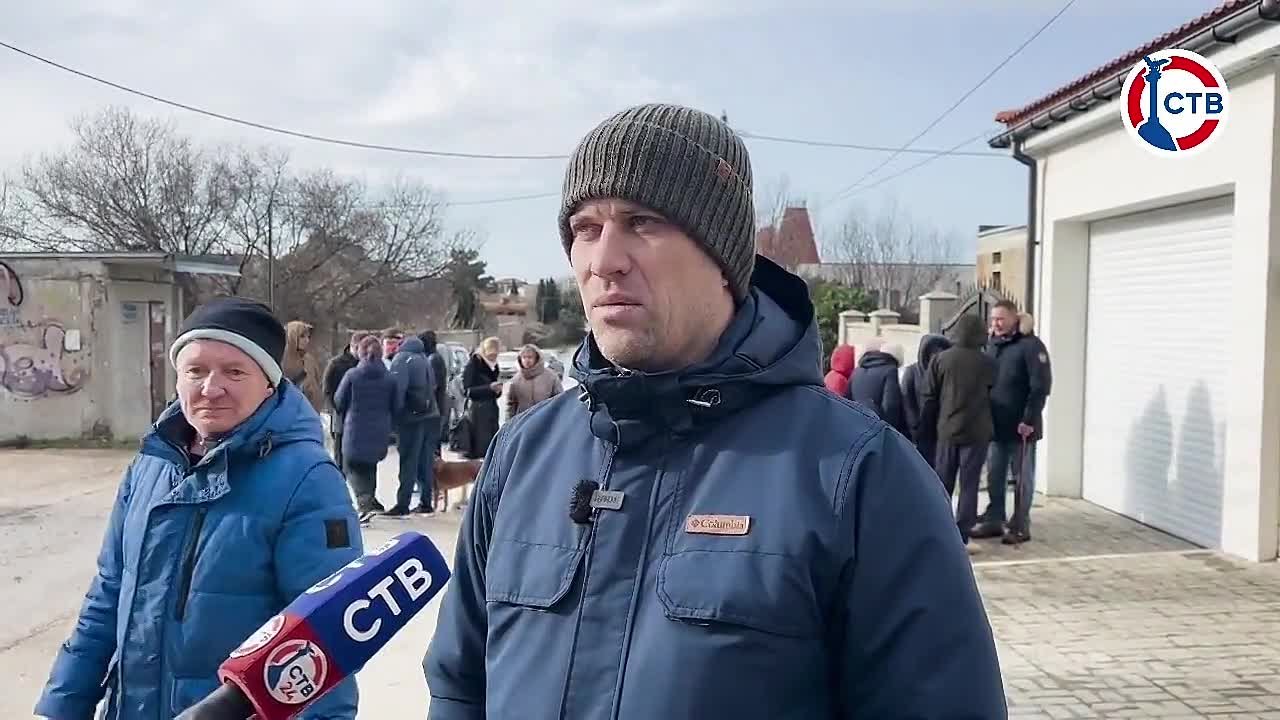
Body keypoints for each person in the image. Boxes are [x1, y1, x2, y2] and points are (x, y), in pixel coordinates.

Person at [423, 103, 1005, 719]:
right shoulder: (523, 455)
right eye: (585, 228)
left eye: (642, 222)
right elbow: (459, 686)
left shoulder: (858, 473)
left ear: (724, 259)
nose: (604, 259)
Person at [35, 297, 361, 719]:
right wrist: (61, 705)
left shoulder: (307, 479)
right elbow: (108, 594)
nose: (210, 388)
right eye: (196, 371)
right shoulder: (151, 464)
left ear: (269, 383)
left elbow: (325, 641)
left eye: (234, 372)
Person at [972, 300, 1051, 546]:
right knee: (995, 475)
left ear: (1014, 318)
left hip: (1022, 427)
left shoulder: (1031, 346)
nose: (996, 323)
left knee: (1021, 478)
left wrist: (1029, 419)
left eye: (1001, 319)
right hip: (995, 425)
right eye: (993, 319)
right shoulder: (992, 345)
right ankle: (995, 518)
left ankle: (1020, 524)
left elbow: (1040, 386)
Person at [921, 315, 995, 554]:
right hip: (977, 431)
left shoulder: (941, 360)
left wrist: (925, 428)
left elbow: (928, 396)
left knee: (943, 482)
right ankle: (962, 535)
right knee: (969, 485)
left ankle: (939, 529)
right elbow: (996, 397)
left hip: (947, 429)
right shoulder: (988, 363)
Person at [334, 335, 399, 515]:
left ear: (360, 353)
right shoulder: (389, 378)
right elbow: (397, 405)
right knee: (370, 466)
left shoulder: (352, 375)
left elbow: (339, 400)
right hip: (379, 431)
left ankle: (364, 502)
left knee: (352, 467)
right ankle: (369, 499)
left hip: (355, 430)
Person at [386, 334, 441, 515]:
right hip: (431, 415)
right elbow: (434, 386)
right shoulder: (425, 359)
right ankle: (426, 502)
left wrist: (395, 416)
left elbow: (398, 390)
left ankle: (403, 504)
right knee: (425, 461)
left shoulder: (402, 359)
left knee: (408, 460)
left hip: (411, 418)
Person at [901, 333, 952, 467]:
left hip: (944, 430)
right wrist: (914, 425)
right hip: (922, 429)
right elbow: (907, 400)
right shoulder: (912, 372)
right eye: (933, 353)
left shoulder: (948, 373)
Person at [323, 331, 366, 474]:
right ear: (354, 346)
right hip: (341, 416)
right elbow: (327, 389)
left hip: (360, 418)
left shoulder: (365, 364)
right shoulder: (336, 364)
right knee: (340, 459)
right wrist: (336, 408)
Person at [849, 339, 908, 436]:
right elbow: (890, 406)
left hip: (855, 425)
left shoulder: (857, 371)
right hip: (876, 429)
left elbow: (847, 397)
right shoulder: (890, 370)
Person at [459, 336, 502, 460]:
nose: (493, 357)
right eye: (491, 355)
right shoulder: (474, 364)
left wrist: (497, 391)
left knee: (492, 448)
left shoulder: (494, 366)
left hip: (491, 409)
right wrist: (489, 388)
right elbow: (467, 390)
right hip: (477, 411)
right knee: (480, 448)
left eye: (495, 355)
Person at [505, 343, 562, 418]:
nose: (527, 360)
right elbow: (511, 405)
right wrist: (509, 422)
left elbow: (560, 400)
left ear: (536, 358)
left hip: (546, 419)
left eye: (530, 357)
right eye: (524, 357)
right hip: (523, 421)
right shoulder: (516, 380)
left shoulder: (551, 377)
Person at [419, 330, 451, 457]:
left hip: (434, 407)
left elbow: (433, 385)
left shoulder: (433, 359)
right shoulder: (434, 358)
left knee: (432, 446)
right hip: (436, 406)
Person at [282, 320, 325, 412]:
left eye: (308, 337)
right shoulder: (281, 359)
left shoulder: (310, 360)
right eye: (302, 336)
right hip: (289, 411)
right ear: (292, 336)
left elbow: (318, 383)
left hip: (311, 411)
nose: (307, 340)